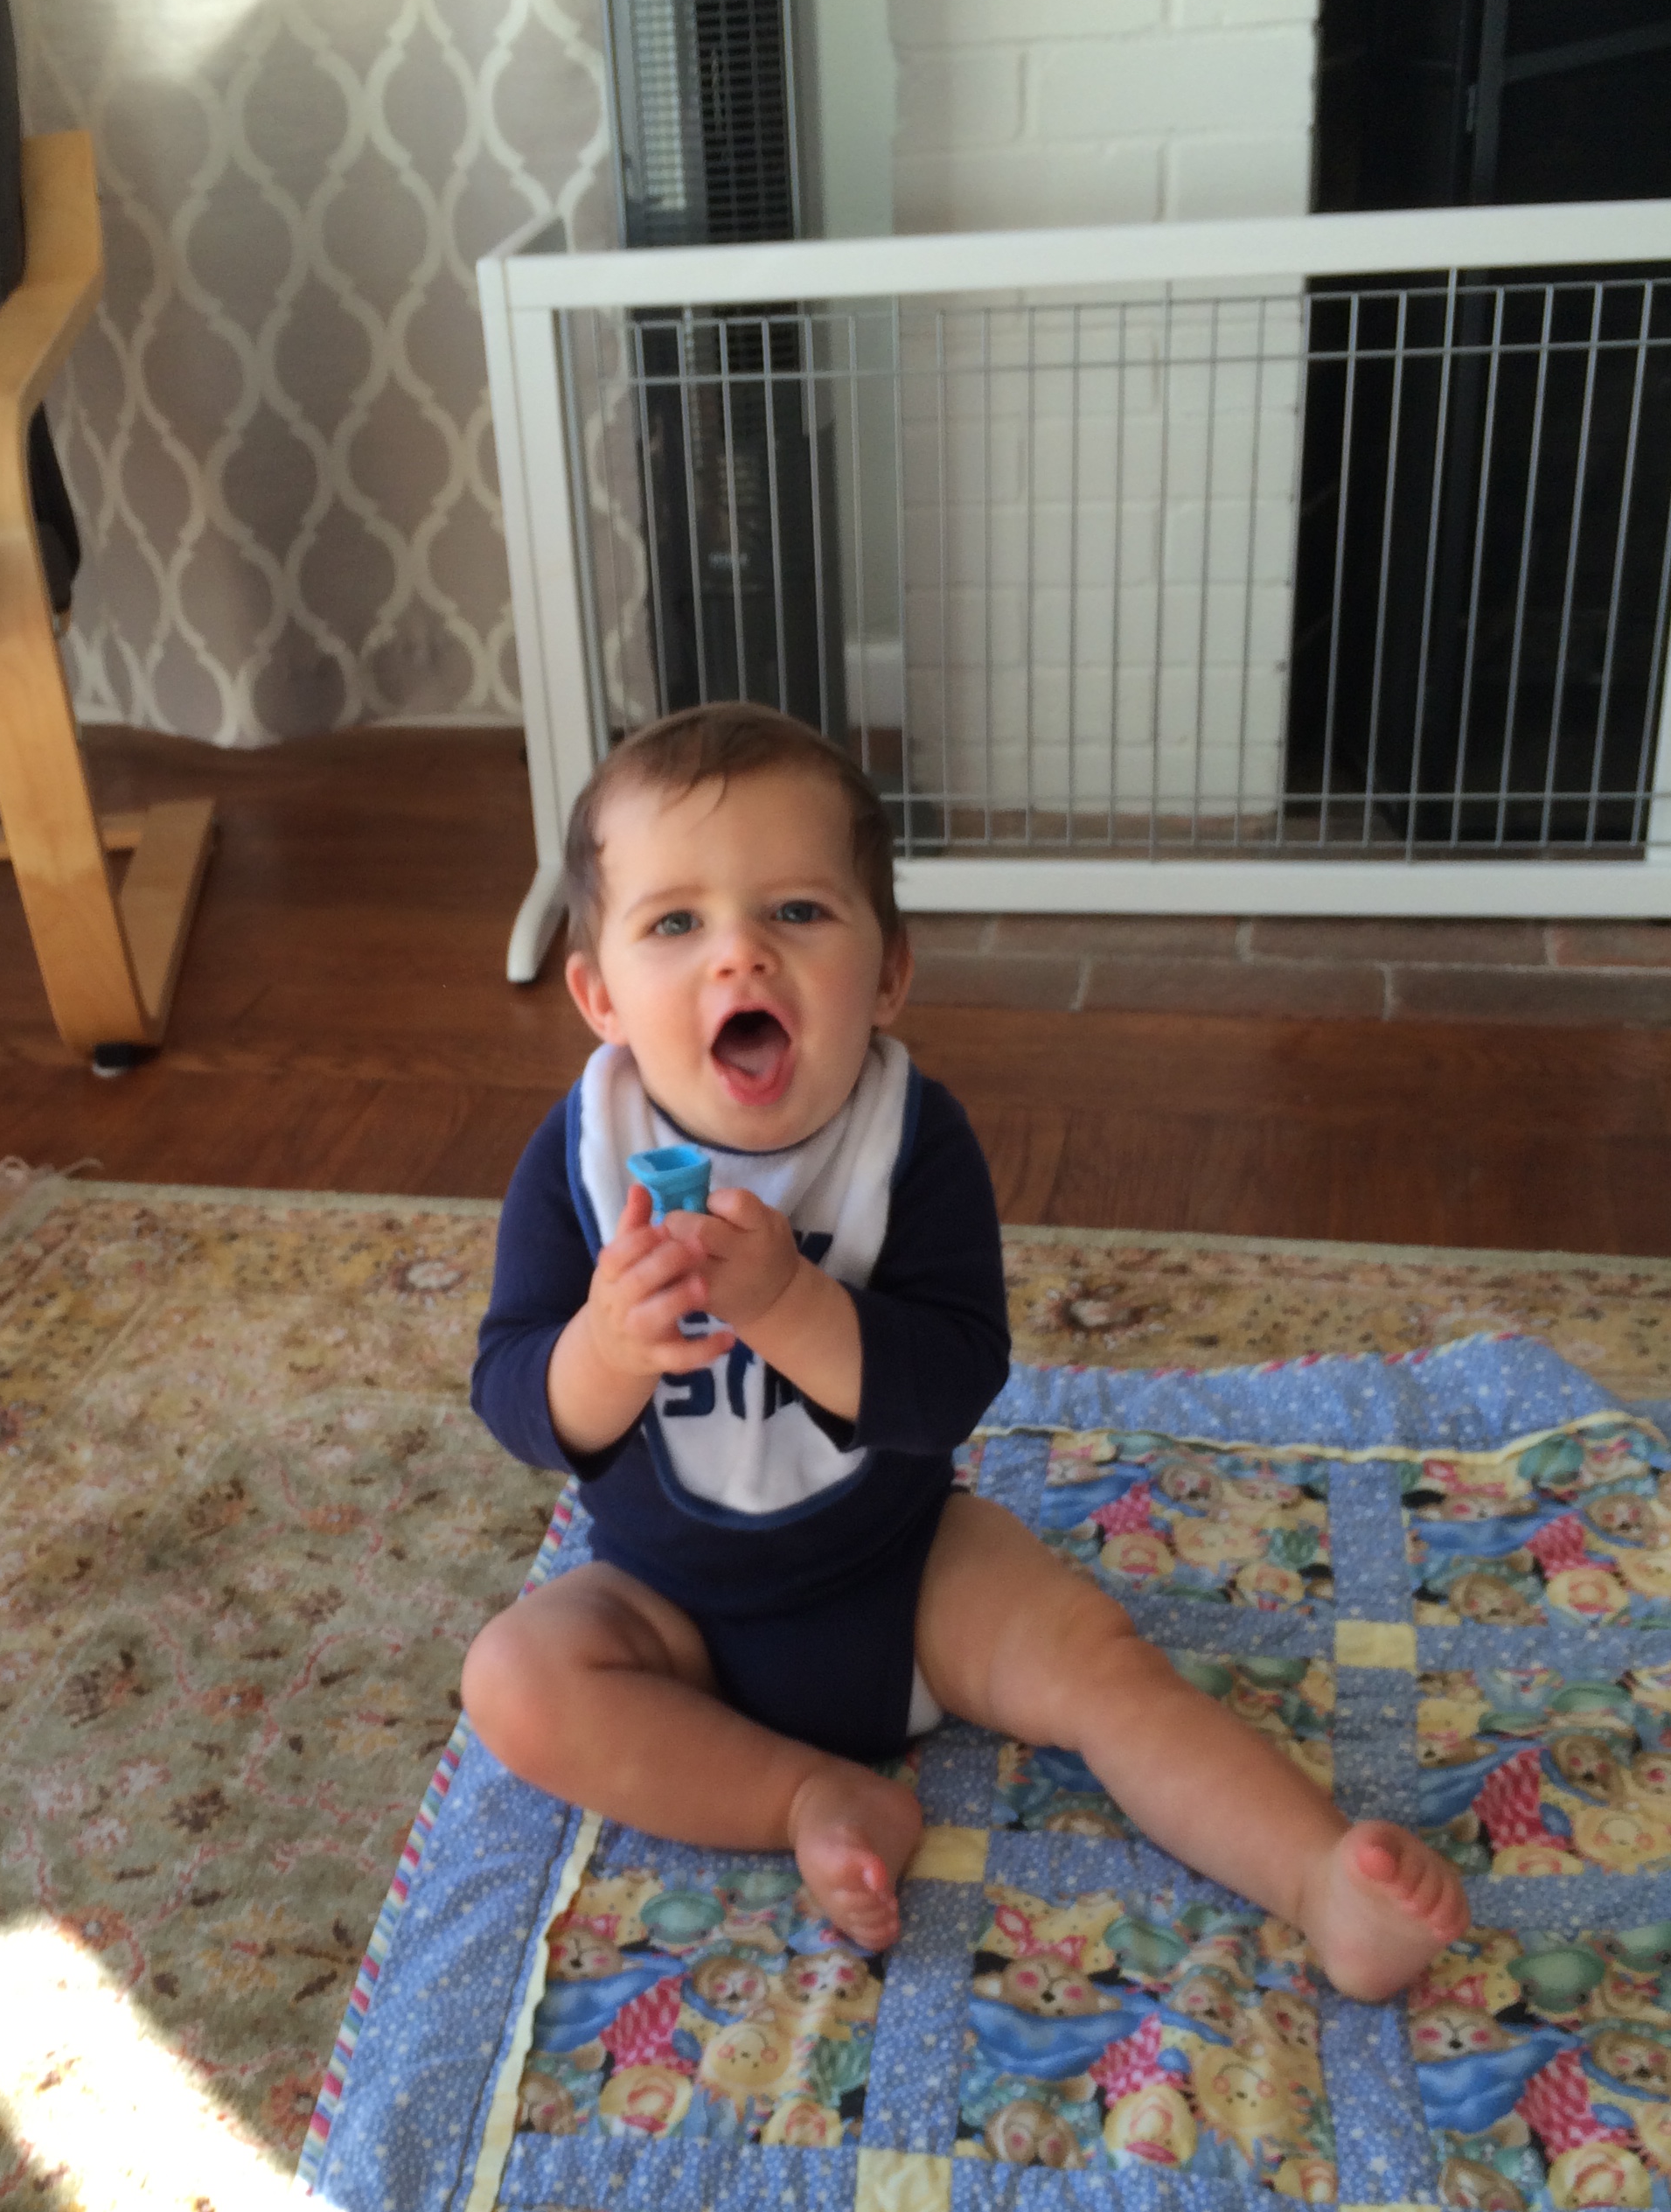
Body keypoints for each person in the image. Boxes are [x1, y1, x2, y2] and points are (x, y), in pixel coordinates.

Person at [463, 704, 1466, 2001]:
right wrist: (605, 1349)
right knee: (515, 1682)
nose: (740, 956)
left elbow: (949, 1385)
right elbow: (514, 1394)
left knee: (1103, 1665)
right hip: (670, 1615)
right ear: (598, 994)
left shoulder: (912, 1143)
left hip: (906, 1577)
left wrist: (790, 1305)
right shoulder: (581, 1162)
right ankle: (803, 1796)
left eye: (798, 913)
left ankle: (1320, 1879)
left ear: (889, 974)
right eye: (675, 924)